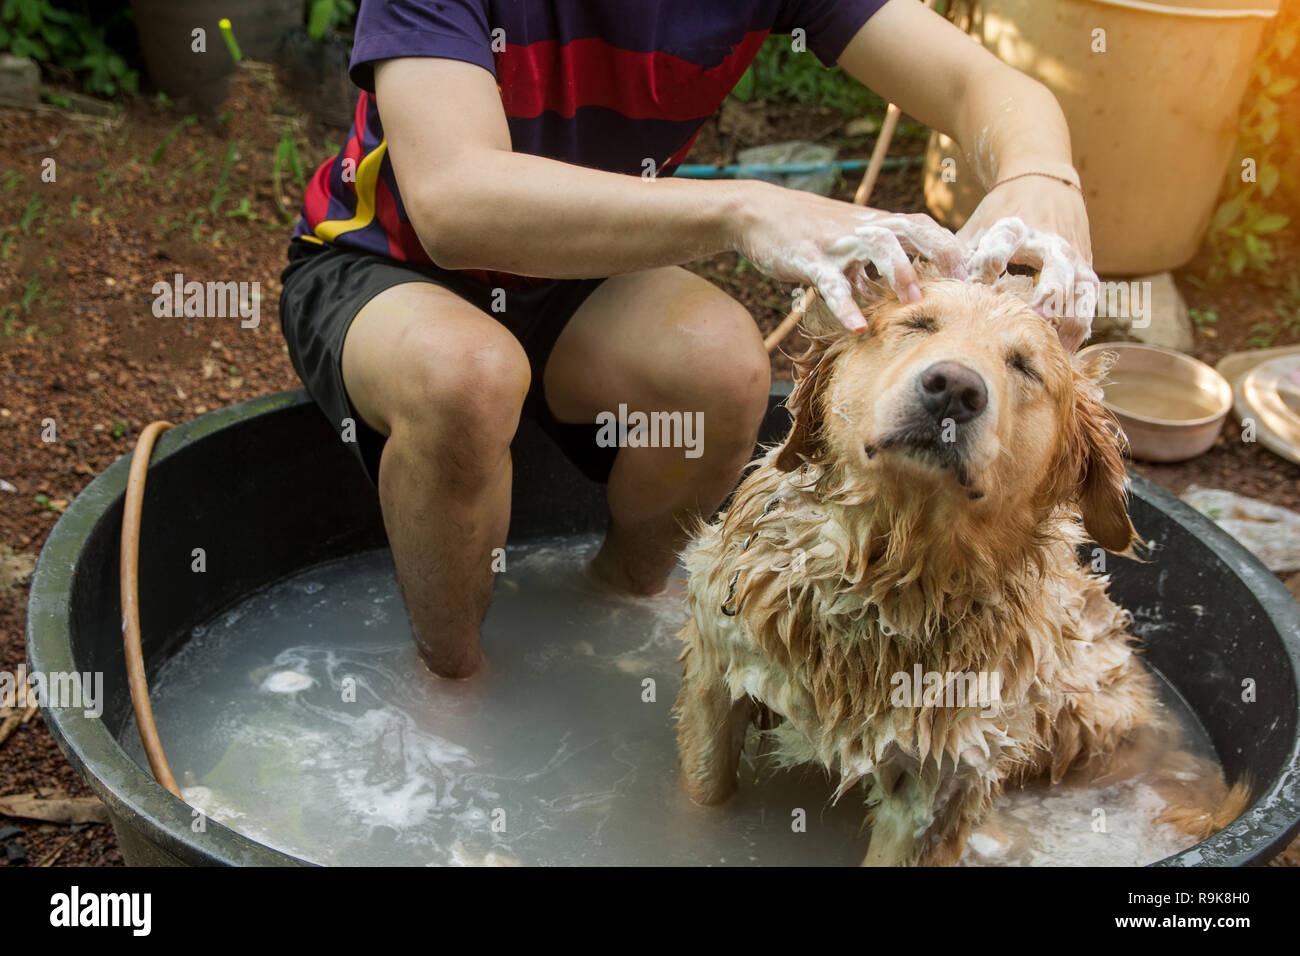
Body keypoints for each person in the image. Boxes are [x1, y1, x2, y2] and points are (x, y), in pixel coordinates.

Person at [277, 0, 1099, 680]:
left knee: (722, 368)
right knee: (468, 376)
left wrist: (1039, 172)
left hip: (575, 265)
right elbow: (456, 205)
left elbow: (975, 80)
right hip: (383, 262)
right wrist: (745, 208)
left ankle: (622, 600)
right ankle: (452, 678)